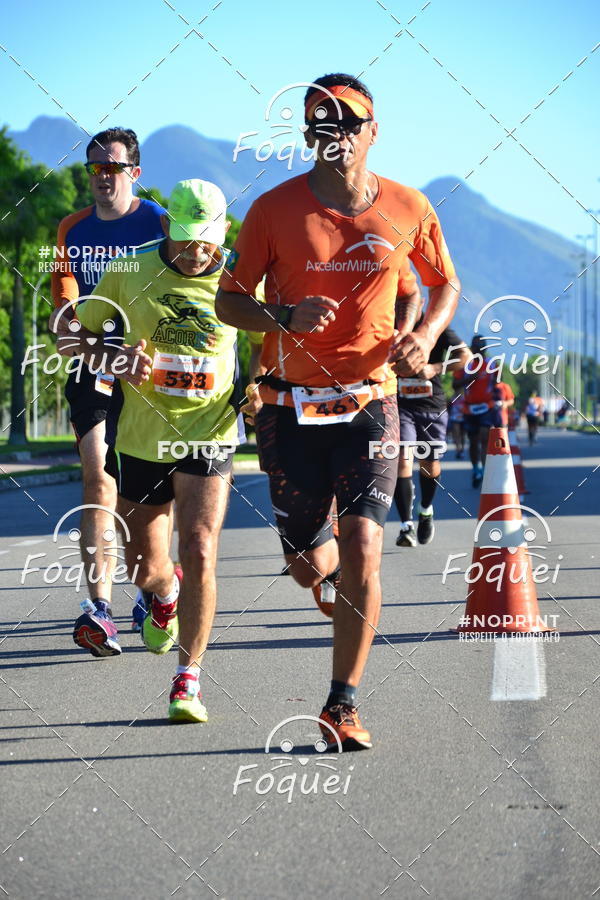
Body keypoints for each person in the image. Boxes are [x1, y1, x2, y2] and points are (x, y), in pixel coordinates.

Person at [215, 73, 459, 750]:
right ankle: (325, 577)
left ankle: (341, 704)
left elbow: (445, 284)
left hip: (372, 403)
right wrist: (284, 315)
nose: (338, 135)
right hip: (288, 407)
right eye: (323, 123)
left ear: (373, 131)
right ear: (308, 136)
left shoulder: (409, 206)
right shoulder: (272, 211)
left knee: (363, 547)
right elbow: (228, 301)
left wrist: (424, 336)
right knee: (306, 564)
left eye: (350, 122)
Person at [72, 179, 255, 721]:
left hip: (210, 431)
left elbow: (273, 337)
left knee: (199, 547)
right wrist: (115, 359)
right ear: (165, 227)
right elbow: (74, 336)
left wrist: (262, 384)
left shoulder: (242, 276)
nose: (196, 252)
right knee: (144, 568)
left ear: (224, 232)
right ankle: (164, 594)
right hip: (142, 438)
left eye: (206, 241)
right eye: (185, 239)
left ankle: (188, 679)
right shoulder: (129, 268)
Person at [50, 127, 165, 651]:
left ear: (133, 173)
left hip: (152, 374)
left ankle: (152, 585)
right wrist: (91, 342)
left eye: (112, 167)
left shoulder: (160, 222)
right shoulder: (71, 229)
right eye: (94, 168)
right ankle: (99, 611)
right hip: (96, 367)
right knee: (98, 479)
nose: (102, 176)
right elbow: (64, 311)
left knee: (142, 496)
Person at [395, 308, 471, 547]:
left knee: (429, 464)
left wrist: (435, 368)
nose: (400, 306)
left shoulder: (434, 326)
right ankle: (406, 526)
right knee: (402, 458)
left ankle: (425, 509)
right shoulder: (388, 323)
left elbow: (466, 357)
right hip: (399, 404)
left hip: (431, 405)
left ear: (420, 302)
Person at [455, 335, 502, 487]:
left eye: (482, 347)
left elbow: (497, 381)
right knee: (473, 441)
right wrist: (469, 378)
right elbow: (455, 384)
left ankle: (486, 471)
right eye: (476, 347)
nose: (479, 350)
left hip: (486, 406)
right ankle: (476, 469)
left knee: (484, 436)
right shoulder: (465, 364)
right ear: (472, 348)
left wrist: (495, 392)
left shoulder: (492, 363)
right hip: (469, 407)